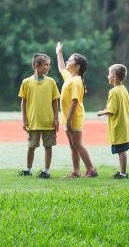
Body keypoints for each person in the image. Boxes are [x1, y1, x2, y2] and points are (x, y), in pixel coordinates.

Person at [55, 41, 98, 178]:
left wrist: (68, 120)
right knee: (72, 145)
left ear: (77, 66)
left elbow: (74, 102)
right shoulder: (70, 77)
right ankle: (76, 171)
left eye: (70, 60)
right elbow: (62, 68)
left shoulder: (77, 81)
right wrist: (59, 53)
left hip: (74, 117)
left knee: (77, 144)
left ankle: (91, 169)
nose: (68, 61)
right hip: (68, 117)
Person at [18, 54, 60, 179]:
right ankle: (28, 169)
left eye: (48, 64)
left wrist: (56, 118)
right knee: (31, 147)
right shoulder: (26, 82)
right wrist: (24, 119)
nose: (49, 67)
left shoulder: (51, 82)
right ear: (37, 66)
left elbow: (55, 101)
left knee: (48, 146)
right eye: (46, 64)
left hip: (48, 122)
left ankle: (46, 171)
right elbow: (24, 102)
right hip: (33, 121)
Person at [97, 64, 129, 179]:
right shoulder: (124, 89)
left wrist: (101, 112)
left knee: (121, 151)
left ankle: (123, 174)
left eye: (109, 74)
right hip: (124, 124)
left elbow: (111, 110)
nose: (108, 76)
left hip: (118, 126)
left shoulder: (113, 91)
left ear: (115, 77)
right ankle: (123, 172)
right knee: (122, 150)